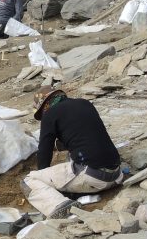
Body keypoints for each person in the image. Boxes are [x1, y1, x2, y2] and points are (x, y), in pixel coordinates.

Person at [20, 86, 127, 219]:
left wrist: (44, 175)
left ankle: (60, 205)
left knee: (29, 179)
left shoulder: (50, 113)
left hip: (93, 178)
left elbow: (44, 151)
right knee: (72, 155)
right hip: (116, 175)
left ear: (45, 105)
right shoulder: (84, 103)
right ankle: (76, 194)